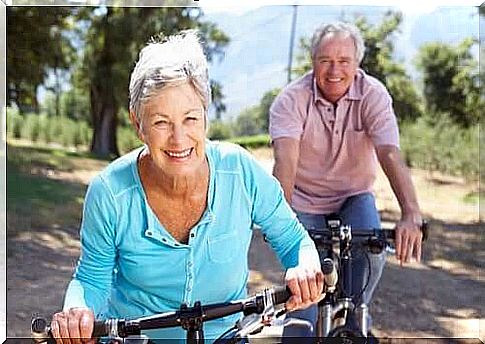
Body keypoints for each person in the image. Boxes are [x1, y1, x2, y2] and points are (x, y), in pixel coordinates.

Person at [50, 30, 324, 344]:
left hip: (224, 337)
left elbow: (293, 239)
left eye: (190, 119)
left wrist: (304, 264)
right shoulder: (109, 192)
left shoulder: (240, 171)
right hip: (136, 338)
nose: (178, 139)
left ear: (206, 117)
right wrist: (77, 310)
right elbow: (91, 278)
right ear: (138, 125)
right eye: (161, 122)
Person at [269, 22, 423, 337]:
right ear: (312, 62)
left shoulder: (373, 94)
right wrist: (280, 221)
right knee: (304, 297)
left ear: (357, 63)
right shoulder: (290, 100)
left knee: (372, 254)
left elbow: (389, 153)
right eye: (325, 60)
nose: (335, 69)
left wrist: (411, 213)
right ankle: (302, 325)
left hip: (354, 194)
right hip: (305, 197)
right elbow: (285, 162)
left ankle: (355, 325)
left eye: (344, 61)